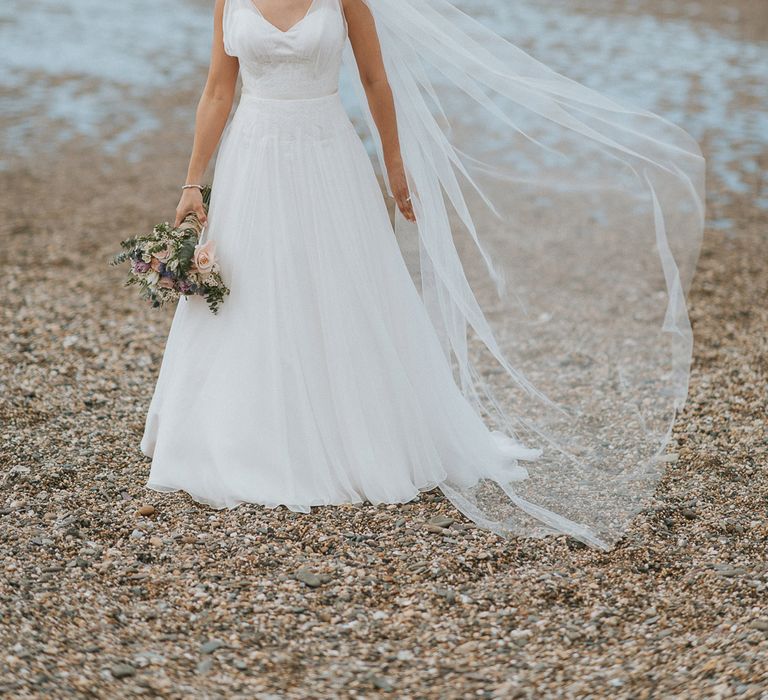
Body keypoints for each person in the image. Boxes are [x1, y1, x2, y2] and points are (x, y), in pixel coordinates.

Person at [141, 0, 705, 549]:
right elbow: (218, 90)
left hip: (327, 153)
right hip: (254, 155)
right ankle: (245, 434)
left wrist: (394, 164)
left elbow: (374, 79)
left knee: (339, 287)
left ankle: (353, 432)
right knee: (252, 289)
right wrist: (193, 183)